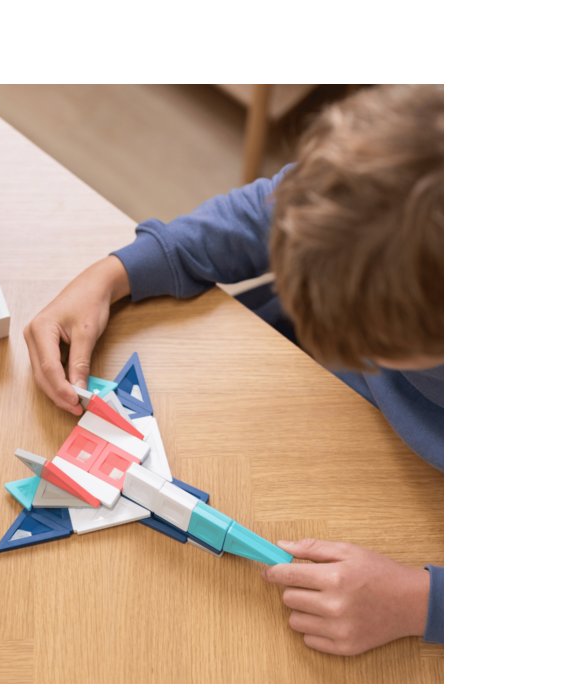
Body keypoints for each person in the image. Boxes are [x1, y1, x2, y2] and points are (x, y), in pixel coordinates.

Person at [23, 84, 443, 655]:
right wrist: (115, 274)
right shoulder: (405, 162)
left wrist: (421, 602)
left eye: (373, 342)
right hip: (295, 391)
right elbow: (264, 214)